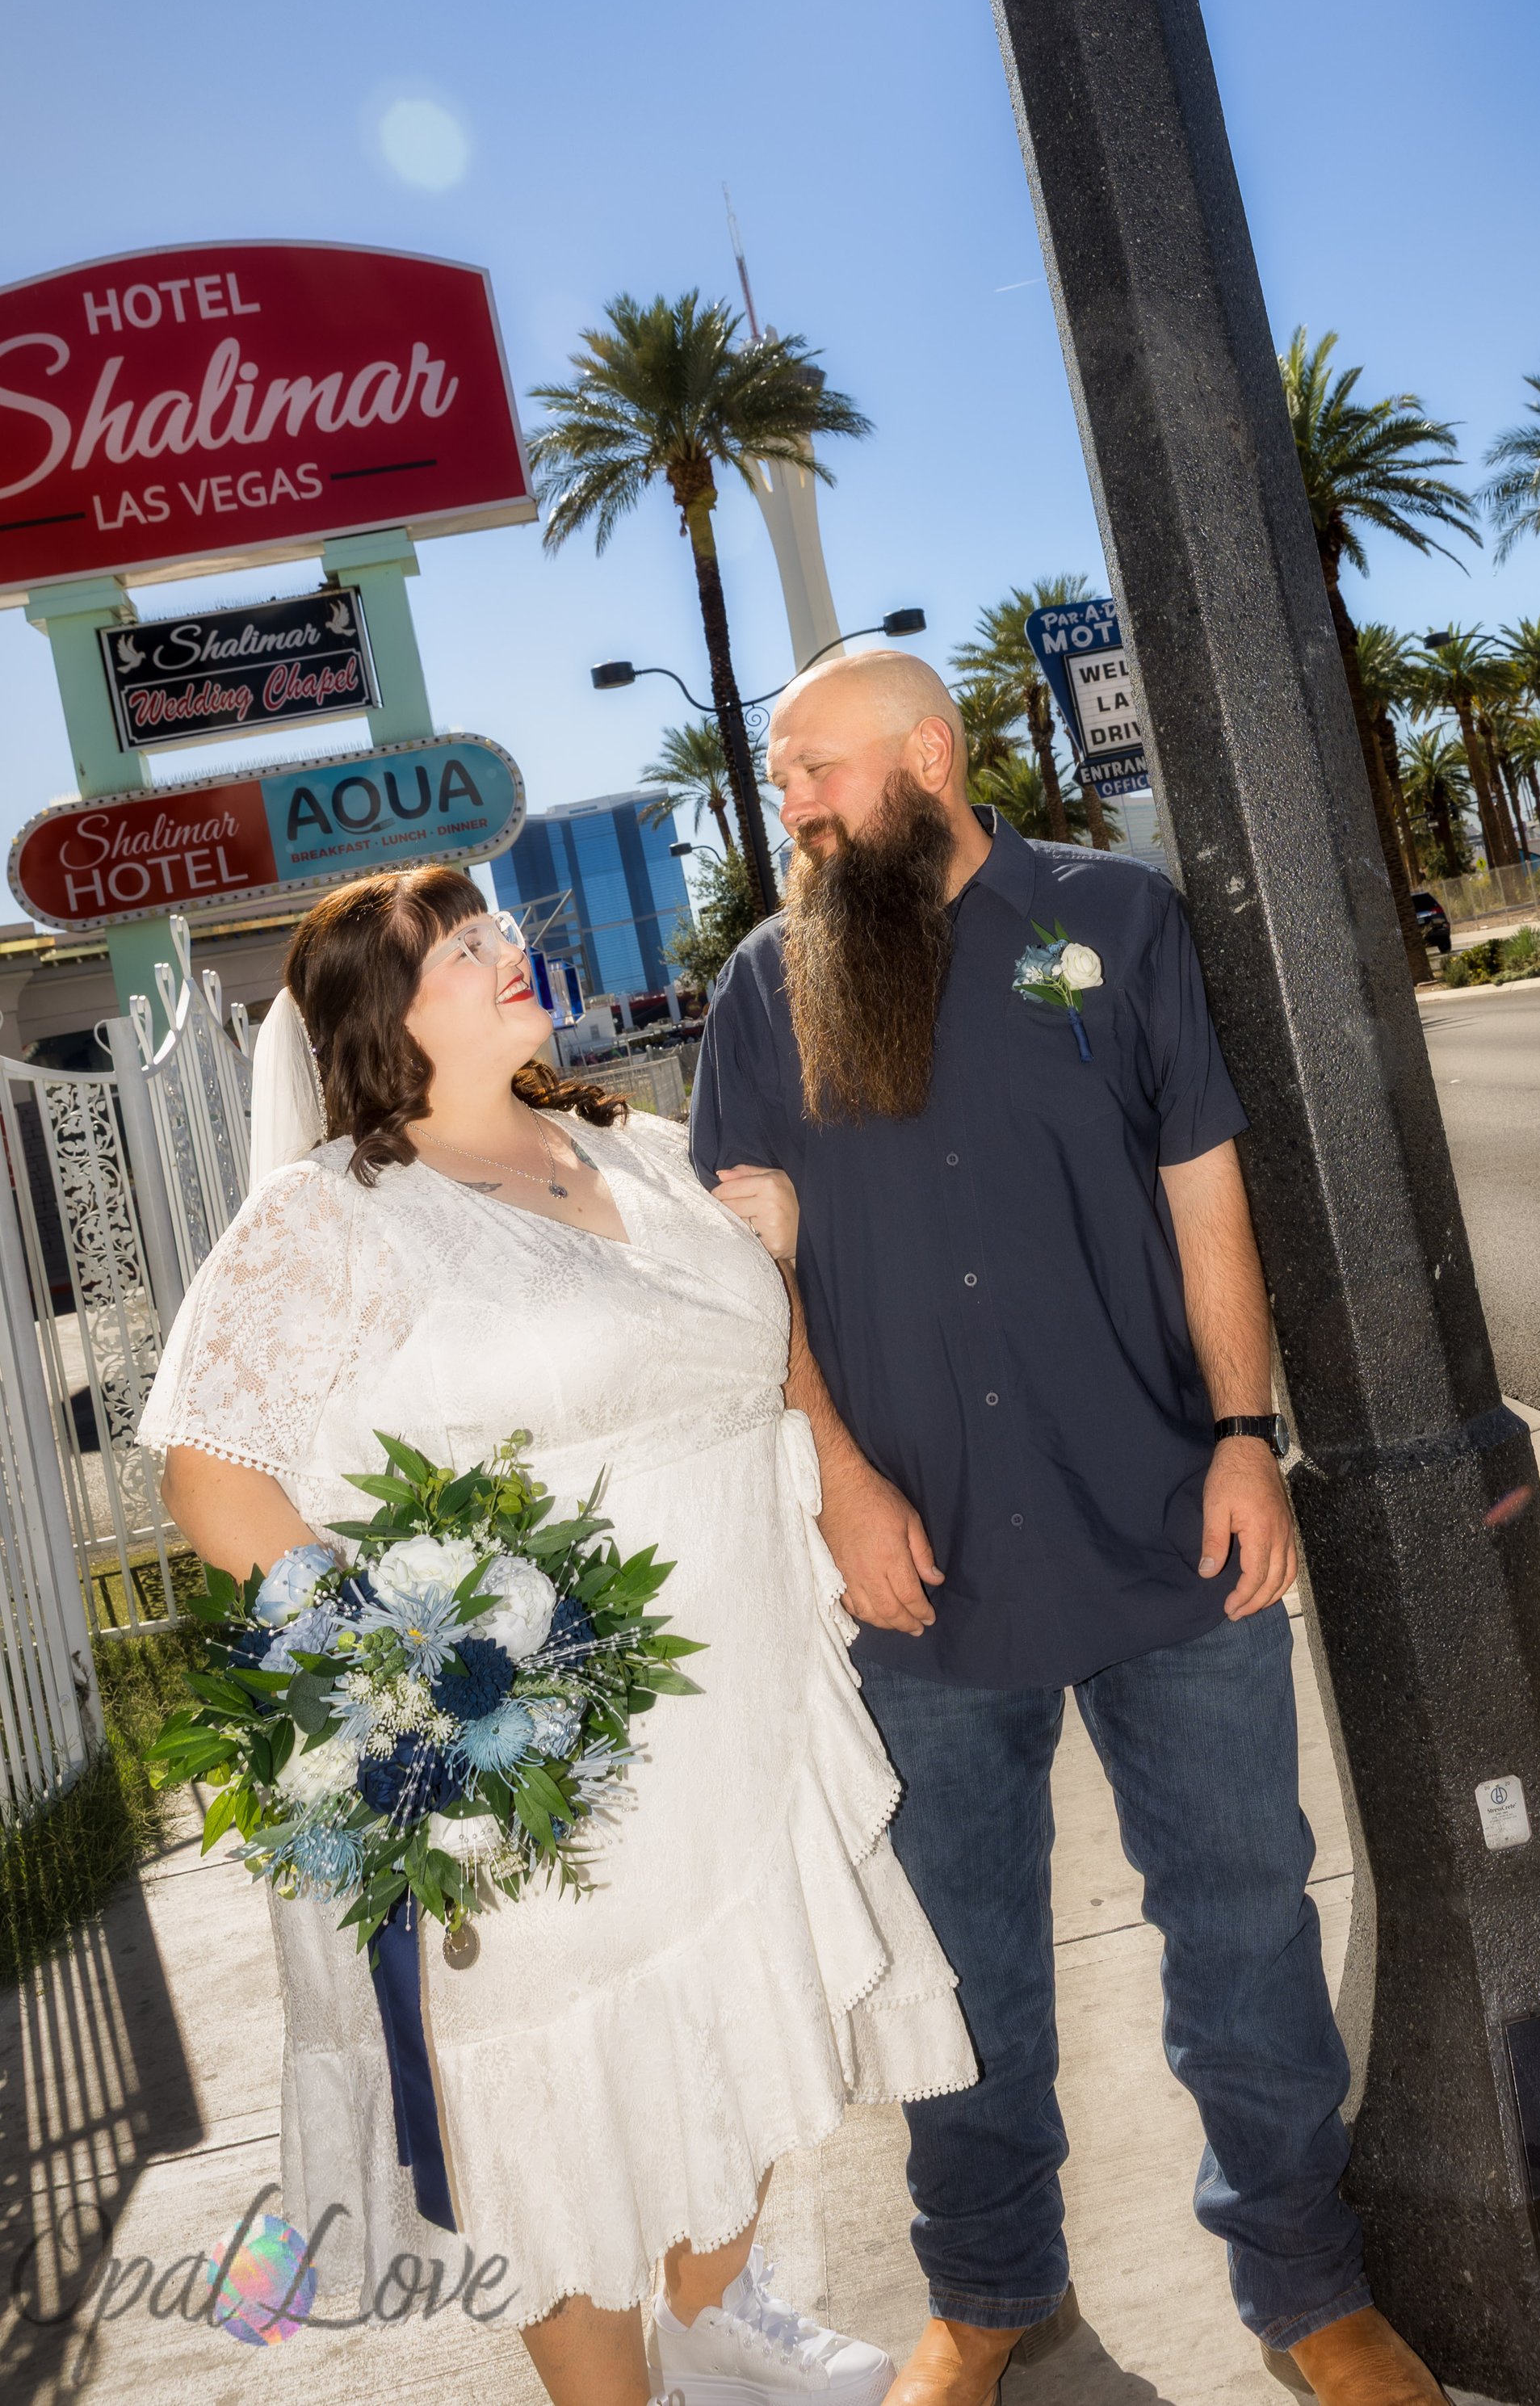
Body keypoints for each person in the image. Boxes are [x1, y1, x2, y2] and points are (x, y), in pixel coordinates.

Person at [690, 657, 1448, 2406]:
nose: (788, 800)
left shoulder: (1112, 921)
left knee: (1242, 1922)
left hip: (1164, 1529)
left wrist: (1245, 1440)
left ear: (928, 758)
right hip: (918, 1574)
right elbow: (748, 1272)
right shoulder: (757, 987)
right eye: (780, 775)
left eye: (812, 768)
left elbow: (1204, 1202)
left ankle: (1306, 2292)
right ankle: (987, 2294)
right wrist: (839, 1481)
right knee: (960, 1974)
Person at [140, 864, 976, 2406]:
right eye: (461, 946)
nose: (504, 948)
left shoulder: (637, 1146)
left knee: (748, 2042)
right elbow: (212, 1467)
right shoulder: (333, 1218)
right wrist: (407, 1676)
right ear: (386, 1017)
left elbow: (740, 1357)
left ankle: (715, 2327)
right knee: (565, 2115)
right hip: (539, 1747)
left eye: (496, 927)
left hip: (746, 1698)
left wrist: (768, 1255)